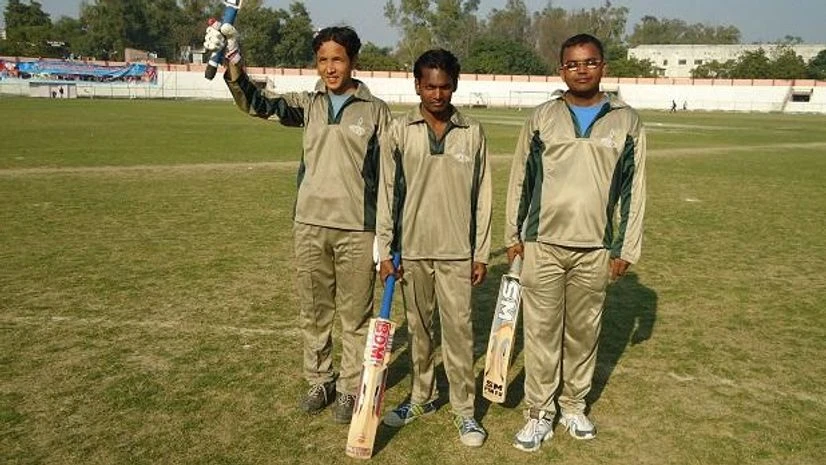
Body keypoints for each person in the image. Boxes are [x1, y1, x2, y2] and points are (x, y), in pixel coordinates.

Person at [204, 24, 392, 424]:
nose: (329, 67)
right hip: (309, 224)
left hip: (358, 229)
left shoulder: (376, 112)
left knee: (355, 315)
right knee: (314, 311)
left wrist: (385, 236)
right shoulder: (309, 104)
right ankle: (320, 380)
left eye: (337, 58)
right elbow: (257, 103)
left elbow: (391, 179)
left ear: (354, 61)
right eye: (323, 60)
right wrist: (234, 60)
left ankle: (348, 388)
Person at [504, 33, 646, 452]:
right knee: (542, 334)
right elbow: (520, 179)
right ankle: (538, 413)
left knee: (583, 334)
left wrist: (625, 248)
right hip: (543, 244)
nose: (581, 70)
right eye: (572, 64)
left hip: (596, 248)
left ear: (603, 65)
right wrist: (513, 236)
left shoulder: (626, 120)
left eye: (589, 62)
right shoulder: (542, 117)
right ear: (560, 69)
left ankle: (573, 405)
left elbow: (635, 189)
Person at [375, 49, 492, 447]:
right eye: (430, 86)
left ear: (455, 86)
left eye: (444, 86)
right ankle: (420, 398)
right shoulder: (399, 129)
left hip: (457, 251)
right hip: (413, 250)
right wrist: (385, 250)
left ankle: (464, 411)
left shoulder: (472, 132)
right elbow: (388, 193)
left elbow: (483, 196)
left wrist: (480, 252)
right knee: (421, 331)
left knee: (459, 333)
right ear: (417, 86)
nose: (437, 94)